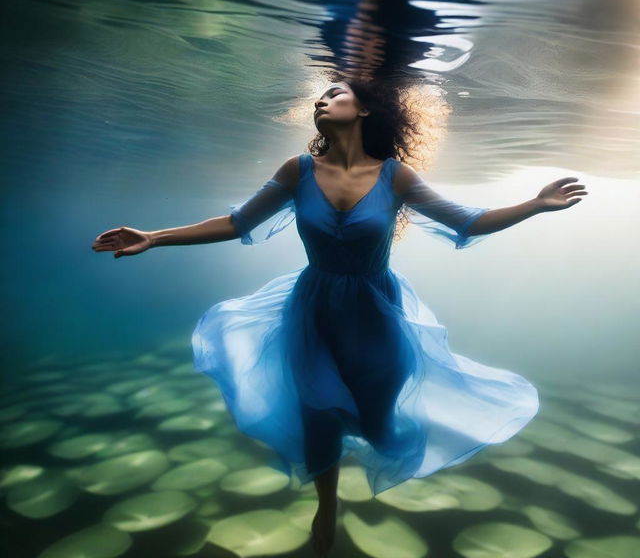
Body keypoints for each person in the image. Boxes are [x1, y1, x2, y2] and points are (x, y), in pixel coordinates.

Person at [92, 78, 588, 557]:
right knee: (319, 408)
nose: (321, 102)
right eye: (320, 97)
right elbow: (237, 223)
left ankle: (370, 441)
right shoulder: (297, 170)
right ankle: (326, 504)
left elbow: (468, 221)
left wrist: (536, 205)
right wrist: (154, 237)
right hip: (313, 310)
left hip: (378, 314)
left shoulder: (396, 176)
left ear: (365, 110)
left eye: (335, 95)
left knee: (376, 423)